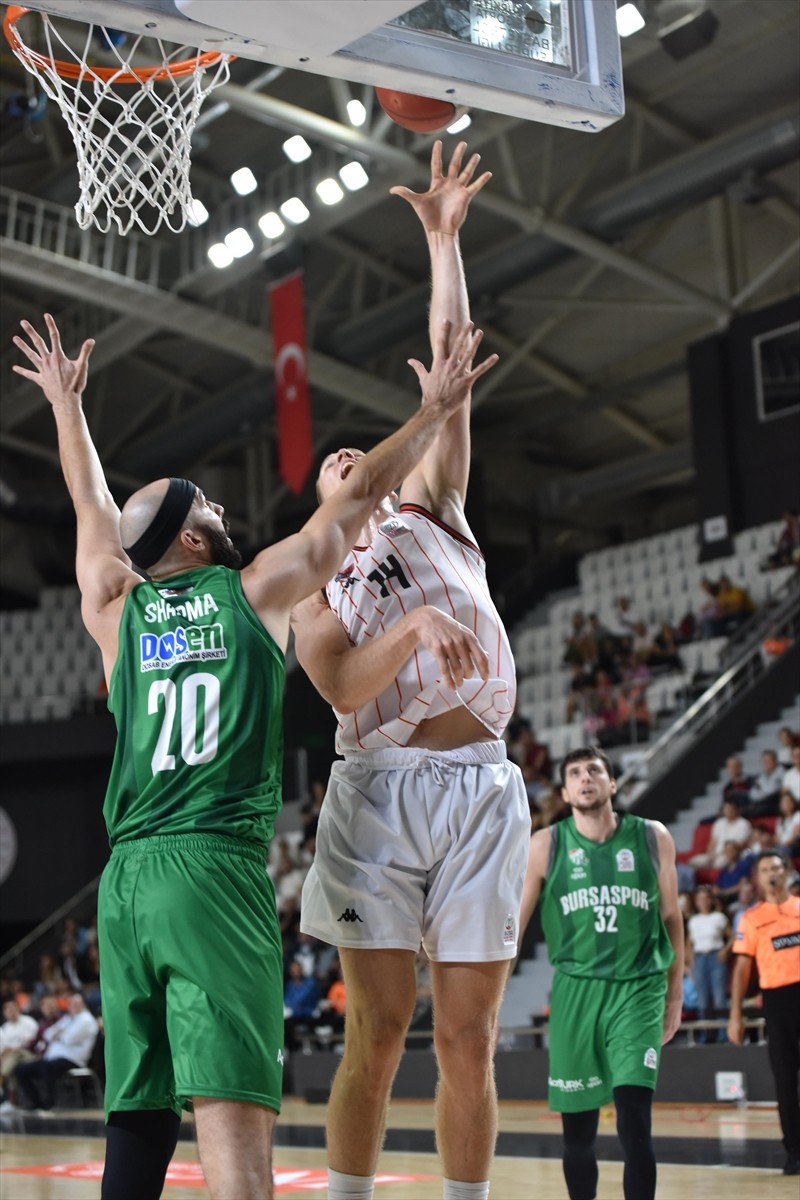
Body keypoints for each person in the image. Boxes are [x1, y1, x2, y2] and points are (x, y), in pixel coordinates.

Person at [12, 305, 496, 1200]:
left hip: (125, 885)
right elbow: (346, 513)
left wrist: (66, 409)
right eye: (209, 504)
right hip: (211, 872)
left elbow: (92, 506)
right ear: (194, 540)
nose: (224, 505)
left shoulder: (114, 612)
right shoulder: (253, 590)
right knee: (235, 1140)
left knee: (139, 1121)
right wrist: (429, 412)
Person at [290, 141, 529, 1200]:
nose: (350, 459)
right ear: (321, 495)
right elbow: (342, 689)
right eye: (335, 462)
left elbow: (449, 358)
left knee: (468, 1040)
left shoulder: (430, 508)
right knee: (378, 1036)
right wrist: (416, 624)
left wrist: (441, 241)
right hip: (376, 797)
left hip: (480, 784)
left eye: (360, 455)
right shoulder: (308, 588)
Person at [519, 746, 684, 1200]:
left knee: (634, 1121)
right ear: (565, 793)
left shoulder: (652, 837)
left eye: (594, 770)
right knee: (578, 1135)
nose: (585, 777)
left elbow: (671, 918)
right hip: (576, 992)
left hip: (639, 988)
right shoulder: (545, 845)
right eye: (574, 773)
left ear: (612, 784)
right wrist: (489, 1001)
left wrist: (675, 994)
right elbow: (513, 931)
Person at [728, 852, 800, 1176]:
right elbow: (742, 969)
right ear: (757, 878)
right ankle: (795, 1151)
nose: (772, 873)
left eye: (777, 868)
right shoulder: (751, 918)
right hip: (778, 1001)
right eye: (765, 870)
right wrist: (734, 1015)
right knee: (785, 1079)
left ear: (787, 872)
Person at [14, 992, 98, 1113]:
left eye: (76, 1003)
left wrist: (59, 1033)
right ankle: (35, 1103)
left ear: (84, 1004)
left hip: (73, 1060)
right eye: (71, 1003)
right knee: (21, 1069)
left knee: (48, 1067)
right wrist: (60, 1033)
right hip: (53, 1059)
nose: (73, 1006)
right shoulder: (68, 1018)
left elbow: (69, 1039)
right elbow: (47, 1034)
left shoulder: (86, 1020)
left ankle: (49, 1104)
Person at [686, 886, 732, 1042]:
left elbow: (732, 937)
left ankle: (723, 1033)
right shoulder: (694, 920)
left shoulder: (719, 917)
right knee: (702, 999)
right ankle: (706, 1033)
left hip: (715, 957)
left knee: (719, 997)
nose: (703, 902)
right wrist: (690, 961)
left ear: (711, 900)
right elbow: (689, 943)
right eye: (700, 899)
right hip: (699, 958)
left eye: (706, 898)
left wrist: (725, 951)